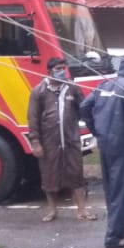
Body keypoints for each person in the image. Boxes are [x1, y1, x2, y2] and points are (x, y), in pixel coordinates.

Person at [80, 54, 124, 248]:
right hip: (122, 143)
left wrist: (95, 129)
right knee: (122, 188)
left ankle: (122, 228)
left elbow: (84, 107)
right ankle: (113, 237)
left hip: (105, 142)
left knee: (113, 188)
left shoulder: (105, 85)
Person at [27, 57, 95, 223]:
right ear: (49, 71)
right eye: (58, 68)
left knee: (76, 175)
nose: (62, 71)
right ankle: (52, 211)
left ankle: (82, 211)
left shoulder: (73, 89)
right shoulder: (39, 91)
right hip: (49, 141)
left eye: (63, 68)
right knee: (49, 176)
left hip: (71, 141)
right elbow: (33, 117)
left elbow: (84, 109)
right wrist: (35, 142)